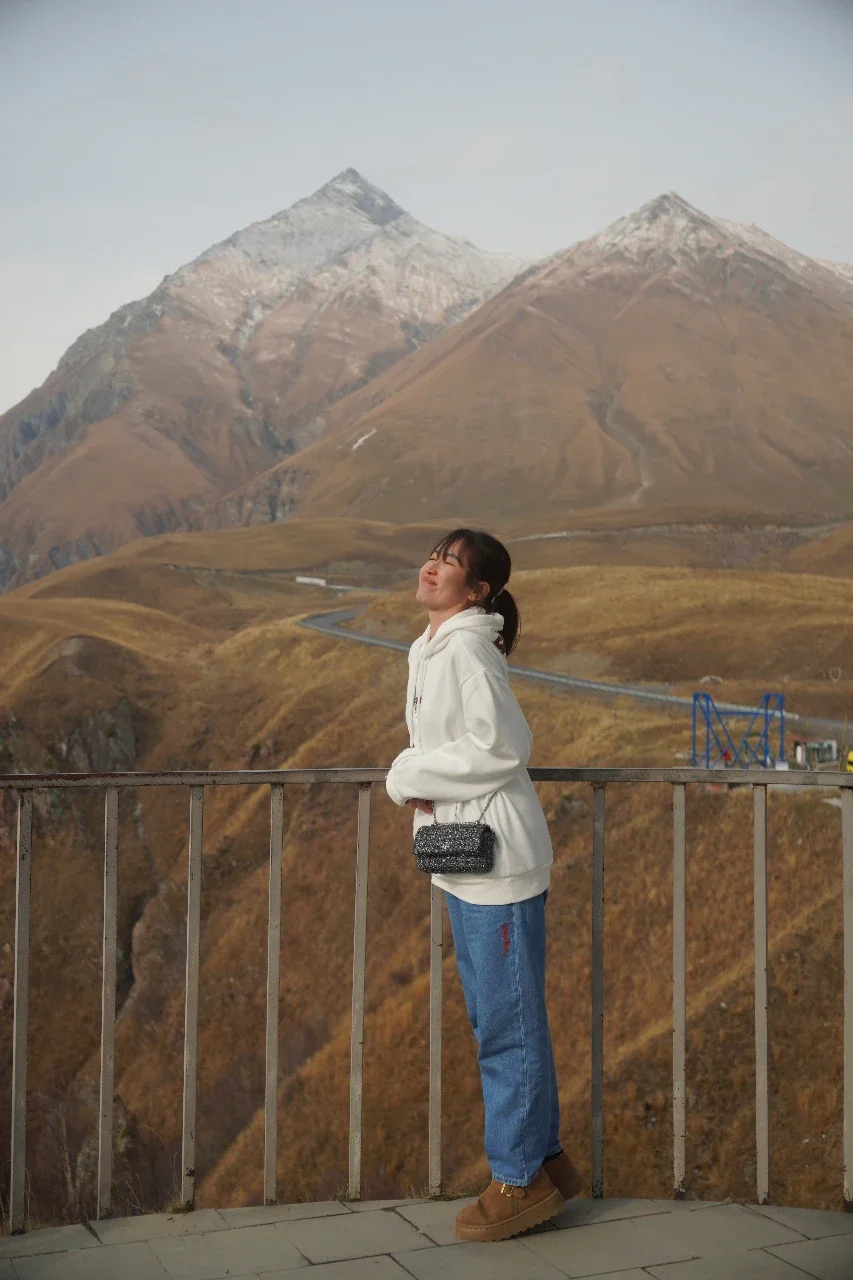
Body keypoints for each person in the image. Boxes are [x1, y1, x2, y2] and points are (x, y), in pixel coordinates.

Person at [385, 527, 583, 1243]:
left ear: (478, 591)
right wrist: (423, 773)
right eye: (435, 553)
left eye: (453, 563)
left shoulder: (466, 645)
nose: (433, 565)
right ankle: (547, 1160)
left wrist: (408, 777)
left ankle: (518, 1176)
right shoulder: (435, 643)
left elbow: (503, 746)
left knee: (506, 1024)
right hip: (468, 856)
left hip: (495, 860)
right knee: (500, 1015)